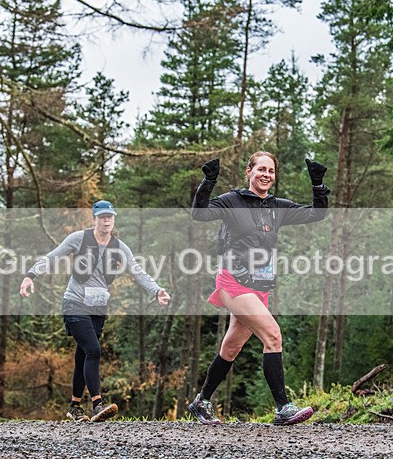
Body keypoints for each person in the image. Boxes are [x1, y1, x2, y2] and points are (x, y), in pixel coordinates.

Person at [189, 152, 330, 425]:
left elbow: (317, 214)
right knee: (273, 335)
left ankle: (201, 401)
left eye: (271, 171)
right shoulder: (232, 201)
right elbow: (199, 214)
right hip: (233, 281)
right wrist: (208, 181)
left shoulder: (277, 206)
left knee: (231, 347)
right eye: (261, 169)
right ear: (249, 172)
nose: (266, 175)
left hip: (260, 285)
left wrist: (317, 185)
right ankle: (282, 407)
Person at [19, 201, 171, 422]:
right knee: (94, 349)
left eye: (110, 216)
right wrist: (29, 276)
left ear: (114, 219)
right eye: (102, 217)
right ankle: (97, 404)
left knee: (83, 355)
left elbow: (137, 272)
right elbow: (52, 256)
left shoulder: (119, 247)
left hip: (98, 307)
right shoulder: (79, 239)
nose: (106, 220)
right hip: (74, 303)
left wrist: (157, 291)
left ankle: (74, 407)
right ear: (94, 219)